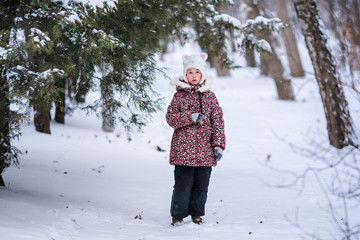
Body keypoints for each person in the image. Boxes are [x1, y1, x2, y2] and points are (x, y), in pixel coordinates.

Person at [166, 52, 226, 226]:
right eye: (190, 72)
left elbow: (218, 122)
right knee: (183, 185)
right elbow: (170, 118)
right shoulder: (179, 97)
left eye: (197, 72)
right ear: (185, 75)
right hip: (183, 151)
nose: (193, 76)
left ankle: (196, 214)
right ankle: (178, 215)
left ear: (202, 75)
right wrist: (189, 117)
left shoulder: (210, 97)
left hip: (205, 152)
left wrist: (218, 145)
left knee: (201, 186)